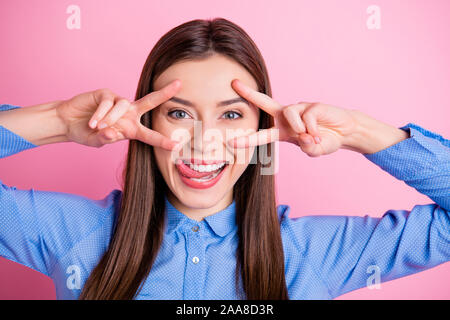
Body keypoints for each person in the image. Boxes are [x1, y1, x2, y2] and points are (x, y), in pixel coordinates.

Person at [0, 18, 448, 300]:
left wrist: (361, 133)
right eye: (179, 113)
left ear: (260, 131)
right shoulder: (70, 234)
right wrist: (57, 120)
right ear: (146, 123)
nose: (204, 141)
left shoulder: (316, 254)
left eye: (231, 114)